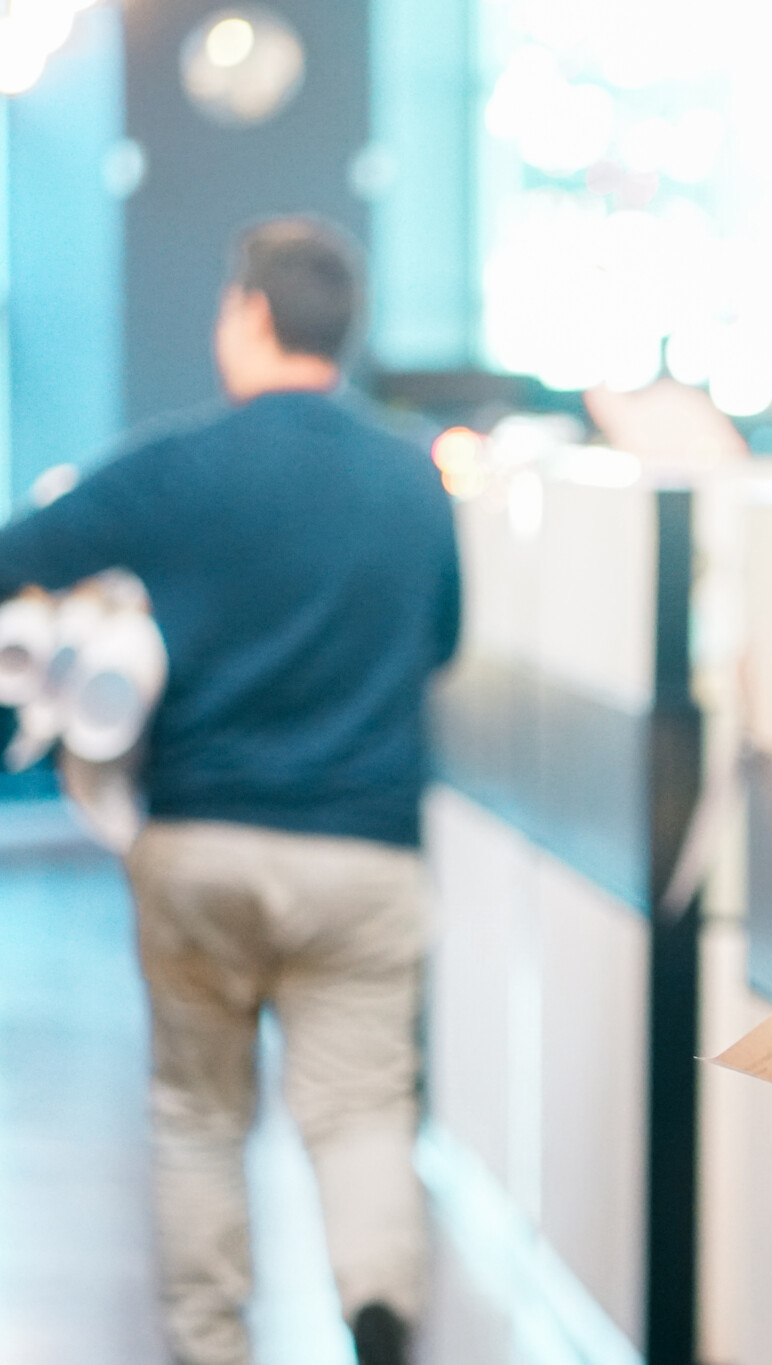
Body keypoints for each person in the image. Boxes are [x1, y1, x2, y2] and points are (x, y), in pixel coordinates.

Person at [0, 217, 458, 1365]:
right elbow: (444, 638)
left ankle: (214, 1347)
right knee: (359, 1112)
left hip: (201, 842)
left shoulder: (179, 462)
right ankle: (378, 1306)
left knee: (199, 1118)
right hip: (367, 849)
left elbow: (21, 552)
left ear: (251, 313)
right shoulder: (412, 476)